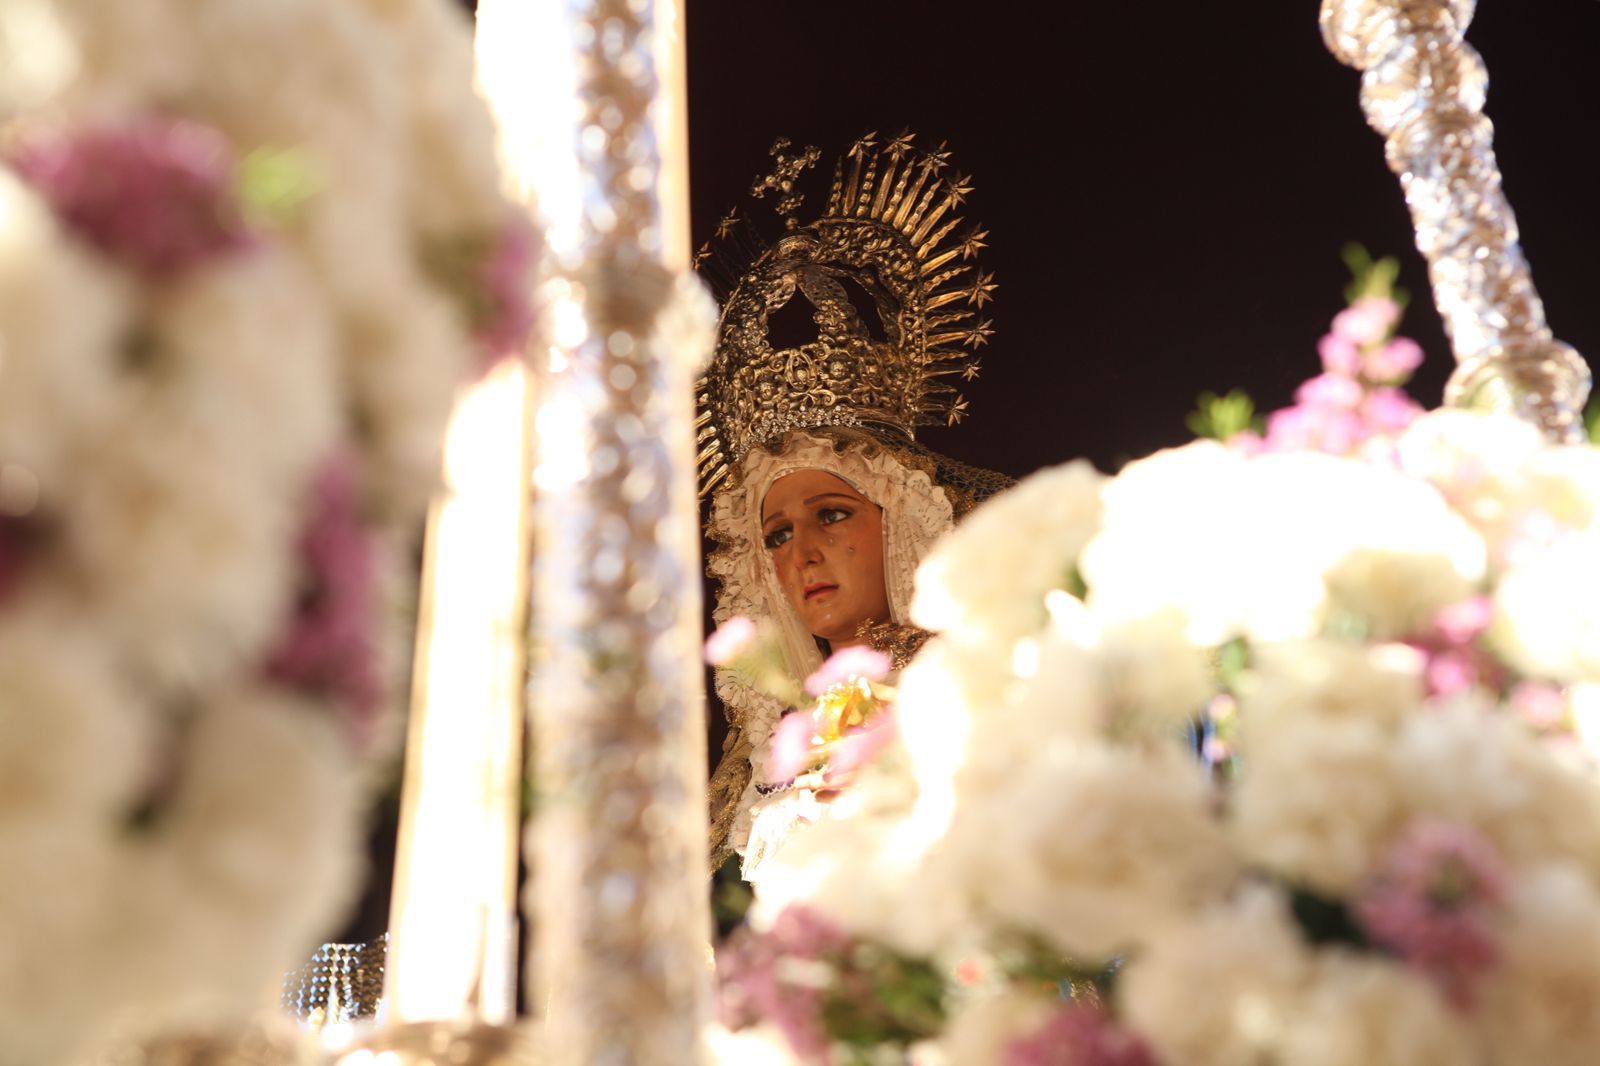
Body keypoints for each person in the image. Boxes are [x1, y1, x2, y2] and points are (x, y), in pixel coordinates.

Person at [696, 133, 1011, 875]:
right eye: (775, 534)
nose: (801, 553)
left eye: (831, 515)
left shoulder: (974, 698)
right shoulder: (765, 761)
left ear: (900, 520)